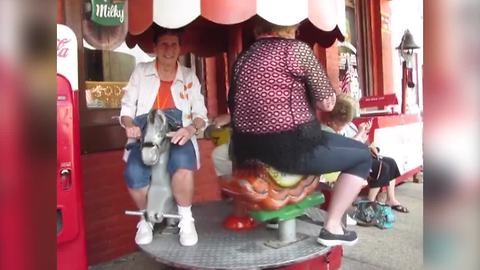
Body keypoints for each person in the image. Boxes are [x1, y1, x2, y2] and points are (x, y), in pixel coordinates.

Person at [228, 19, 372, 247]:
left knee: (334, 144)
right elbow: (326, 103)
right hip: (291, 150)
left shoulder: (243, 58)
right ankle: (333, 227)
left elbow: (233, 106)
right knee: (363, 155)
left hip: (248, 152)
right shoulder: (296, 50)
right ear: (289, 26)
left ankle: (278, 216)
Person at [120, 29, 207, 246]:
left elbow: (200, 115)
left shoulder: (188, 76)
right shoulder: (141, 71)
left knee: (182, 167)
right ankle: (146, 218)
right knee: (133, 174)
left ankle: (186, 219)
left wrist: (190, 130)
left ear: (179, 48)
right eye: (164, 44)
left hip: (178, 132)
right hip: (145, 131)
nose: (169, 50)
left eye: (174, 44)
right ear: (155, 48)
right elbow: (127, 109)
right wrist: (130, 126)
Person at [321, 94, 409, 213]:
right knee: (382, 167)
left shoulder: (349, 125)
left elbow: (362, 142)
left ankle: (391, 199)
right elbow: (345, 147)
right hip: (350, 160)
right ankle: (369, 203)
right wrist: (360, 134)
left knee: (390, 162)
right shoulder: (329, 127)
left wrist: (370, 143)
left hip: (359, 154)